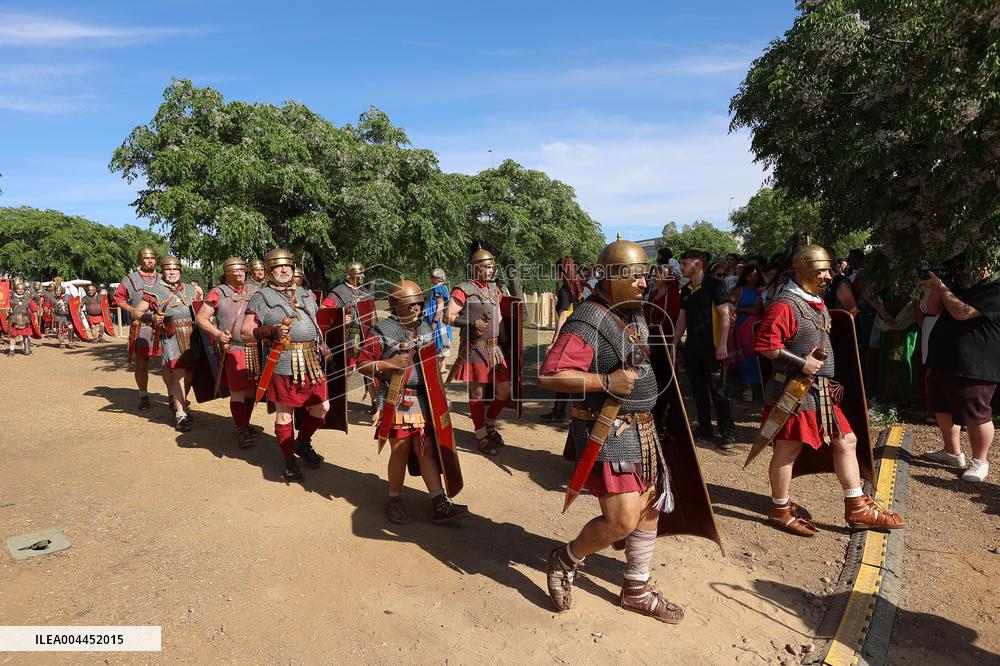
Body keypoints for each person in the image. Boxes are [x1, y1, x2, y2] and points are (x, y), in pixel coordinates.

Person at [540, 236, 717, 623]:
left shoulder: (632, 312)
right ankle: (565, 559)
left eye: (644, 276)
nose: (643, 283)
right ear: (611, 277)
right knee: (621, 520)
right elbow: (551, 375)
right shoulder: (587, 320)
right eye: (636, 276)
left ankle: (636, 587)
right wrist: (606, 381)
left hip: (644, 431)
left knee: (650, 505)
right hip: (609, 432)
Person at [753, 244, 905, 536]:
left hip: (820, 391)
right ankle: (780, 509)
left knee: (847, 440)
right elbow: (765, 346)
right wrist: (802, 363)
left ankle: (856, 505)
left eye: (829, 270)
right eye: (821, 270)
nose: (828, 276)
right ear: (802, 271)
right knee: (787, 449)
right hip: (793, 391)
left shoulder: (816, 302)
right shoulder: (785, 304)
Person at [357, 280, 469, 525]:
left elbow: (432, 367)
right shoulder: (382, 330)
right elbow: (362, 364)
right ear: (396, 306)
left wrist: (441, 397)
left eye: (419, 303)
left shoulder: (426, 328)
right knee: (400, 450)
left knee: (425, 449)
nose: (417, 308)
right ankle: (394, 499)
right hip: (396, 399)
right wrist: (389, 364)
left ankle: (439, 502)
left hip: (424, 399)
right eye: (411, 305)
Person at [241, 248, 329, 481]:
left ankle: (302, 442)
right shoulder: (261, 297)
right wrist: (270, 331)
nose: (284, 270)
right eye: (278, 266)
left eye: (287, 266)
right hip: (282, 362)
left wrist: (322, 343)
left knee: (322, 408)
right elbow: (246, 332)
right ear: (269, 270)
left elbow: (315, 322)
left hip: (311, 361)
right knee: (285, 415)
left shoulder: (305, 293)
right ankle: (289, 461)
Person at [921, 258, 1000, 482]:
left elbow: (962, 312)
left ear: (985, 266)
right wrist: (939, 287)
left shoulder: (994, 289)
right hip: (943, 360)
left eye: (963, 266)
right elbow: (932, 309)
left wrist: (942, 287)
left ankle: (980, 461)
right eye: (956, 268)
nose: (959, 271)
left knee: (976, 413)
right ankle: (952, 452)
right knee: (941, 406)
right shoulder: (956, 287)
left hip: (975, 363)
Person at [445, 247, 513, 455]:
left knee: (505, 390)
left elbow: (499, 319)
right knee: (477, 394)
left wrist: (507, 343)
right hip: (475, 349)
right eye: (486, 267)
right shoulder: (463, 290)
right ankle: (481, 435)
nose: (491, 270)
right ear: (475, 268)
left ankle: (489, 424)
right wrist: (470, 323)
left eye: (492, 267)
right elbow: (448, 316)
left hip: (494, 348)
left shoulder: (495, 290)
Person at [673, 250, 736, 449]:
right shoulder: (686, 290)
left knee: (717, 390)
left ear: (698, 264)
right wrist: (674, 343)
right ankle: (705, 427)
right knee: (698, 390)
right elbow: (682, 318)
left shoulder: (714, 285)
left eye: (684, 263)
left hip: (713, 347)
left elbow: (724, 314)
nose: (681, 267)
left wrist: (723, 344)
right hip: (692, 348)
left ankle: (726, 430)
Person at [132, 256, 201, 432]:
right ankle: (181, 415)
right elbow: (137, 312)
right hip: (171, 336)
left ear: (180, 270)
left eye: (175, 269)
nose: (172, 272)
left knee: (190, 376)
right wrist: (152, 317)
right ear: (163, 271)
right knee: (179, 374)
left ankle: (179, 403)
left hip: (192, 336)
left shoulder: (191, 289)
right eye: (168, 269)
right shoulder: (154, 291)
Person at [196, 257, 258, 448]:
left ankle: (245, 423)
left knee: (252, 391)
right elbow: (201, 318)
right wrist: (217, 333)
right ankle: (242, 430)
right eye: (236, 270)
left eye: (242, 270)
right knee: (238, 391)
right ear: (227, 273)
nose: (240, 273)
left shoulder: (255, 290)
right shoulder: (218, 292)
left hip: (256, 348)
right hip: (234, 348)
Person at [323, 261, 377, 407]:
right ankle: (339, 402)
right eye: (359, 273)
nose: (363, 276)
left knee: (369, 368)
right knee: (345, 371)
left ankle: (375, 401)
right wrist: (340, 318)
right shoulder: (338, 292)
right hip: (346, 337)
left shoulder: (366, 293)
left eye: (363, 273)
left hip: (366, 336)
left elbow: (373, 316)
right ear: (349, 276)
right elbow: (324, 313)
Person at [113, 247, 161, 410]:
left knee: (169, 364)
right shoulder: (130, 279)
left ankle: (172, 396)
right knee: (142, 364)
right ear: (140, 260)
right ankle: (144, 396)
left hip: (162, 326)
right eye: (146, 258)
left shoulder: (163, 278)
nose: (150, 261)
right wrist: (131, 310)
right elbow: (118, 298)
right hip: (142, 327)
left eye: (152, 258)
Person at [543, 256, 584, 422]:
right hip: (580, 335)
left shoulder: (565, 291)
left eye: (557, 270)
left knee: (562, 374)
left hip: (568, 336)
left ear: (562, 272)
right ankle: (559, 411)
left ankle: (560, 412)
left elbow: (562, 318)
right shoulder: (579, 290)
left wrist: (554, 342)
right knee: (568, 374)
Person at [730, 264, 764, 402]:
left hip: (759, 327)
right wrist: (747, 310)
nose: (752, 278)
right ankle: (747, 387)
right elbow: (730, 307)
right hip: (742, 326)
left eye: (755, 275)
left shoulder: (763, 290)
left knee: (758, 355)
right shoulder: (739, 290)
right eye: (749, 276)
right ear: (744, 276)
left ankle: (760, 386)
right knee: (745, 354)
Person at [424, 268, 452, 359]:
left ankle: (441, 365)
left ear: (437, 278)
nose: (430, 278)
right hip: (442, 320)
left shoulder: (438, 289)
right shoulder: (443, 288)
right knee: (440, 349)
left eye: (432, 276)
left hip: (439, 321)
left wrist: (434, 322)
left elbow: (440, 306)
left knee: (440, 347)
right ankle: (441, 365)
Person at [5, 280, 38, 356]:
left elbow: (34, 309)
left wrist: (36, 318)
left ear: (24, 289)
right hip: (14, 319)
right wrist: (8, 313)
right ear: (15, 289)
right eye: (18, 289)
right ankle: (11, 351)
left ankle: (27, 350)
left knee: (26, 335)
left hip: (25, 319)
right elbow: (6, 307)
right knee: (13, 336)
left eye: (22, 289)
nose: (20, 290)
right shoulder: (11, 297)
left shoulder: (28, 297)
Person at [47, 280, 77, 349]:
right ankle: (62, 343)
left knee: (71, 328)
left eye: (59, 291)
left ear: (63, 291)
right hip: (58, 316)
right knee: (60, 330)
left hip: (67, 316)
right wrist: (48, 310)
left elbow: (74, 305)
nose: (57, 292)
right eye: (56, 291)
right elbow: (47, 306)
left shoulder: (68, 297)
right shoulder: (52, 298)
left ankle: (71, 343)